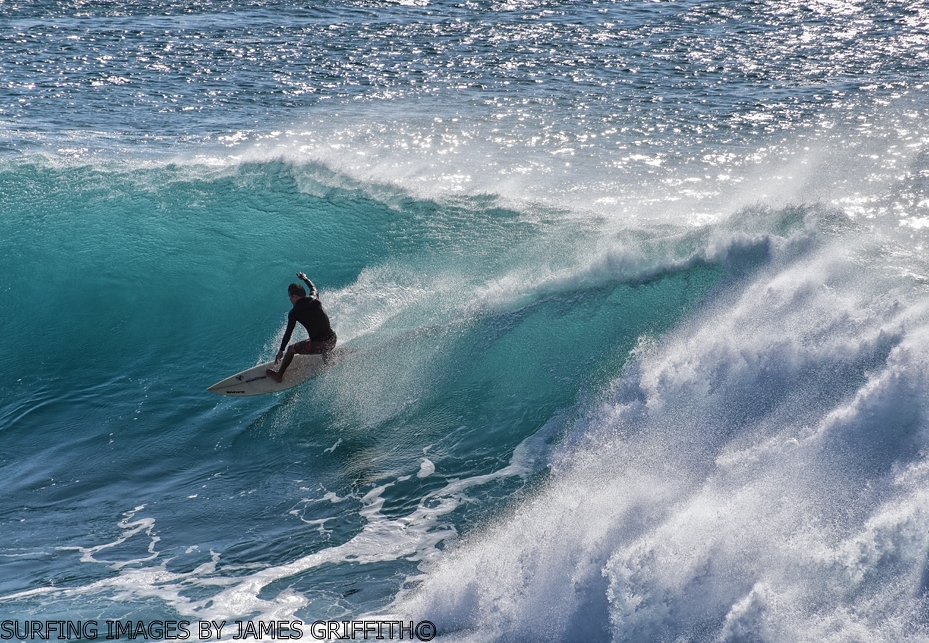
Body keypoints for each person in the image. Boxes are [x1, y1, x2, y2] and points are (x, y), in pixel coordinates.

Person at [265, 271, 337, 383]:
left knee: (291, 349)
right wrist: (305, 278)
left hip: (322, 346)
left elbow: (288, 333)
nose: (289, 299)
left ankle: (279, 376)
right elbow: (312, 287)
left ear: (294, 296)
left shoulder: (294, 313)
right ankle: (328, 360)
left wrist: (281, 351)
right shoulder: (314, 298)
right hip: (332, 340)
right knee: (320, 335)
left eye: (289, 296)